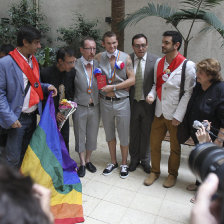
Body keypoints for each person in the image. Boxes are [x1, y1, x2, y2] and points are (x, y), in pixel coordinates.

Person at [0, 25, 57, 169]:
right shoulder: (5, 63)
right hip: (16, 118)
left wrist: (47, 86)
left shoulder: (33, 60)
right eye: (36, 42)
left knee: (26, 154)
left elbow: (34, 84)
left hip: (32, 117)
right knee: (12, 157)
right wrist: (10, 117)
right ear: (25, 42)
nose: (39, 46)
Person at [144, 30, 196, 188]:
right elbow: (156, 85)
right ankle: (155, 171)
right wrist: (151, 95)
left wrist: (179, 116)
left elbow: (188, 93)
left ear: (176, 45)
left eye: (166, 42)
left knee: (175, 147)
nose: (163, 45)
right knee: (154, 144)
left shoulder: (187, 65)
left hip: (174, 114)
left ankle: (172, 174)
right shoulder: (159, 63)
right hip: (159, 112)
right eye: (163, 42)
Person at [95, 31, 135, 179]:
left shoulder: (126, 58)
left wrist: (114, 87)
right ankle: (113, 162)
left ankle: (124, 163)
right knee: (109, 134)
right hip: (105, 103)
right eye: (108, 43)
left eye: (114, 43)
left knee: (124, 135)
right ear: (103, 44)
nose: (112, 46)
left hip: (122, 102)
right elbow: (93, 74)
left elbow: (132, 80)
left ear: (117, 42)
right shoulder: (98, 57)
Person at [185, 58, 224, 192]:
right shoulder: (199, 86)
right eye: (198, 71)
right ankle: (199, 184)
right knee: (202, 160)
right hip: (200, 133)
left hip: (214, 135)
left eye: (201, 72)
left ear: (211, 75)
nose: (197, 74)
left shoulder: (220, 89)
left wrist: (219, 140)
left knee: (212, 164)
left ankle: (207, 193)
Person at [129, 33, 158, 173]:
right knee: (133, 132)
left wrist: (152, 96)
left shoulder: (156, 61)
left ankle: (145, 160)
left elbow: (157, 83)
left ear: (147, 45)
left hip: (148, 104)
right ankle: (134, 160)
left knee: (147, 132)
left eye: (143, 45)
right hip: (132, 103)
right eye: (137, 46)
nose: (140, 48)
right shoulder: (127, 60)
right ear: (133, 47)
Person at [72, 37, 100, 177]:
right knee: (79, 134)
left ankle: (89, 160)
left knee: (92, 135)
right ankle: (82, 162)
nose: (92, 51)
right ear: (82, 49)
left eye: (94, 48)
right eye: (89, 48)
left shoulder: (98, 64)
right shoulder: (74, 64)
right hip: (80, 105)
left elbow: (103, 83)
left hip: (95, 105)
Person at [41, 47, 76, 151]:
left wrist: (68, 108)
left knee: (64, 140)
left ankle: (64, 166)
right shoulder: (45, 73)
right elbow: (41, 97)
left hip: (64, 114)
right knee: (49, 141)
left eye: (74, 61)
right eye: (70, 62)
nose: (72, 65)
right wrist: (54, 112)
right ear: (60, 61)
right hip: (49, 115)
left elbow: (71, 92)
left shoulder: (72, 72)